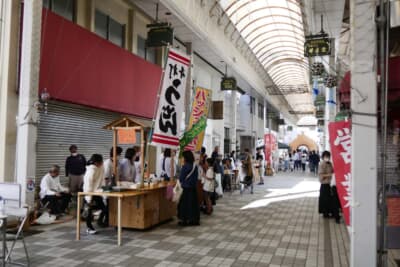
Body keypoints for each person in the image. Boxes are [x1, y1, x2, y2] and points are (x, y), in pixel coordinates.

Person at [83, 154, 107, 234]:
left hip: (97, 191)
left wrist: (103, 189)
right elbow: (88, 185)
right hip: (89, 192)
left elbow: (102, 179)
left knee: (104, 208)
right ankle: (89, 228)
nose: (101, 163)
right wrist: (89, 198)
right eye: (100, 162)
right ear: (95, 162)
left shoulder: (101, 167)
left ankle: (99, 220)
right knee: (88, 211)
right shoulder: (90, 170)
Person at [177, 151, 200, 226]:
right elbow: (196, 177)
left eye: (183, 157)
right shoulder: (195, 166)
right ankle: (193, 220)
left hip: (186, 188)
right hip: (193, 188)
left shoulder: (185, 166)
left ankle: (184, 220)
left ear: (186, 157)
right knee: (193, 204)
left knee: (184, 205)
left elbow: (181, 178)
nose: (182, 158)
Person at [318, 151, 340, 223]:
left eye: (328, 156)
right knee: (325, 200)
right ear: (323, 157)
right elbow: (321, 175)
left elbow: (333, 171)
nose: (327, 157)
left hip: (330, 184)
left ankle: (331, 213)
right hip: (324, 184)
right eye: (325, 156)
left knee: (330, 199)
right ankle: (325, 213)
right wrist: (330, 175)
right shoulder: (322, 164)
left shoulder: (330, 164)